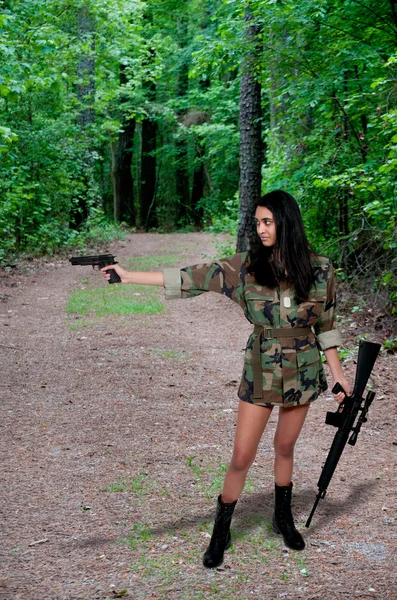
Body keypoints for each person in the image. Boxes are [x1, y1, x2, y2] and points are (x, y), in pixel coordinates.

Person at [100, 190, 351, 568]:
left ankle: (282, 517)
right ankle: (222, 528)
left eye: (268, 222)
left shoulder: (321, 269)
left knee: (285, 447)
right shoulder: (245, 268)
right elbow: (190, 277)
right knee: (241, 455)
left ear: (287, 223)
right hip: (260, 369)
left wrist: (340, 377)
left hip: (303, 369)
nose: (261, 229)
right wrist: (128, 275)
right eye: (257, 223)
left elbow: (327, 327)